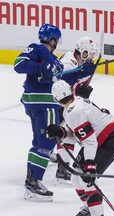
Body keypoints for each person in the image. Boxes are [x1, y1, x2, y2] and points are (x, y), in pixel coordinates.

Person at [47, 80, 114, 216]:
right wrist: (62, 132)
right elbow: (79, 135)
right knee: (76, 178)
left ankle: (97, 214)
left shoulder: (74, 111)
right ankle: (88, 208)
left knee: (86, 180)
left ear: (56, 99)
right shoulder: (72, 106)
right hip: (97, 139)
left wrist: (89, 164)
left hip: (109, 139)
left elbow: (89, 141)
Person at [13, 23, 63, 202]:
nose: (56, 42)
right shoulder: (38, 49)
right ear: (52, 39)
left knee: (38, 143)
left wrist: (80, 73)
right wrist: (40, 67)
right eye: (56, 40)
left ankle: (31, 181)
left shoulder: (54, 60)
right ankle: (34, 184)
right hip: (45, 105)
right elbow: (18, 64)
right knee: (47, 144)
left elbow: (60, 78)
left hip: (40, 105)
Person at [52, 36, 98, 183]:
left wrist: (82, 91)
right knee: (66, 131)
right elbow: (62, 83)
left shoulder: (82, 62)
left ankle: (62, 164)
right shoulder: (67, 62)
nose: (91, 57)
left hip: (67, 101)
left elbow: (75, 86)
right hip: (57, 101)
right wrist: (81, 74)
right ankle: (62, 167)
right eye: (89, 54)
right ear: (83, 52)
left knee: (68, 131)